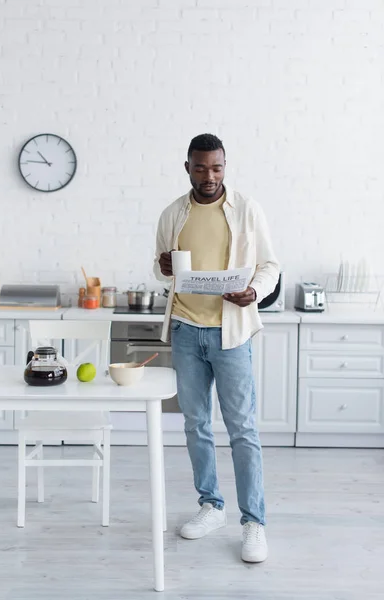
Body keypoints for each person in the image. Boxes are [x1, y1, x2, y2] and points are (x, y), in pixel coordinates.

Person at [153, 133, 279, 563]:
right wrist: (163, 265)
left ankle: (253, 522)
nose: (210, 175)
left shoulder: (247, 209)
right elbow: (160, 267)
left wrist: (255, 292)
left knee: (242, 429)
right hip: (187, 330)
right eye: (201, 167)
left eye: (217, 167)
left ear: (226, 165)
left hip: (232, 332)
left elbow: (269, 264)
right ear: (187, 166)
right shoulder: (173, 213)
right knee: (196, 424)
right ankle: (211, 506)